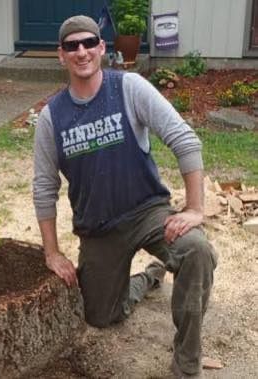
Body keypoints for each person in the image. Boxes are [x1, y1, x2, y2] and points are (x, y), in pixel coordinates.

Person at [33, 15, 217, 378]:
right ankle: (150, 277)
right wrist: (51, 251)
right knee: (100, 316)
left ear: (102, 48)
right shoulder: (52, 118)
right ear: (61, 55)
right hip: (99, 227)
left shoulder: (130, 88)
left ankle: (186, 364)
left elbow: (185, 140)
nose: (81, 51)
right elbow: (44, 187)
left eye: (89, 43)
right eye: (72, 46)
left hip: (147, 212)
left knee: (197, 251)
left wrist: (195, 208)